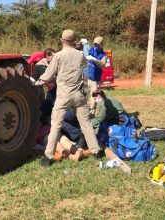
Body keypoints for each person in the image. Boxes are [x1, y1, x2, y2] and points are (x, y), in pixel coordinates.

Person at [34, 29, 103, 167]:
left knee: (55, 126)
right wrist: (83, 92)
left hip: (63, 96)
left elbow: (48, 75)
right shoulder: (81, 55)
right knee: (86, 124)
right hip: (78, 95)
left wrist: (36, 82)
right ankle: (96, 151)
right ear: (73, 40)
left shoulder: (58, 56)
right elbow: (85, 75)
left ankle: (48, 157)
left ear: (62, 40)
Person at [86, 36, 108, 110]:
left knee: (94, 99)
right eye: (95, 44)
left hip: (96, 81)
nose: (96, 46)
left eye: (98, 44)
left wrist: (95, 60)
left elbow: (102, 65)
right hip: (87, 79)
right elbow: (86, 54)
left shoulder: (104, 55)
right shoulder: (91, 50)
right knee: (83, 98)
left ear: (101, 45)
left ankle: (93, 114)